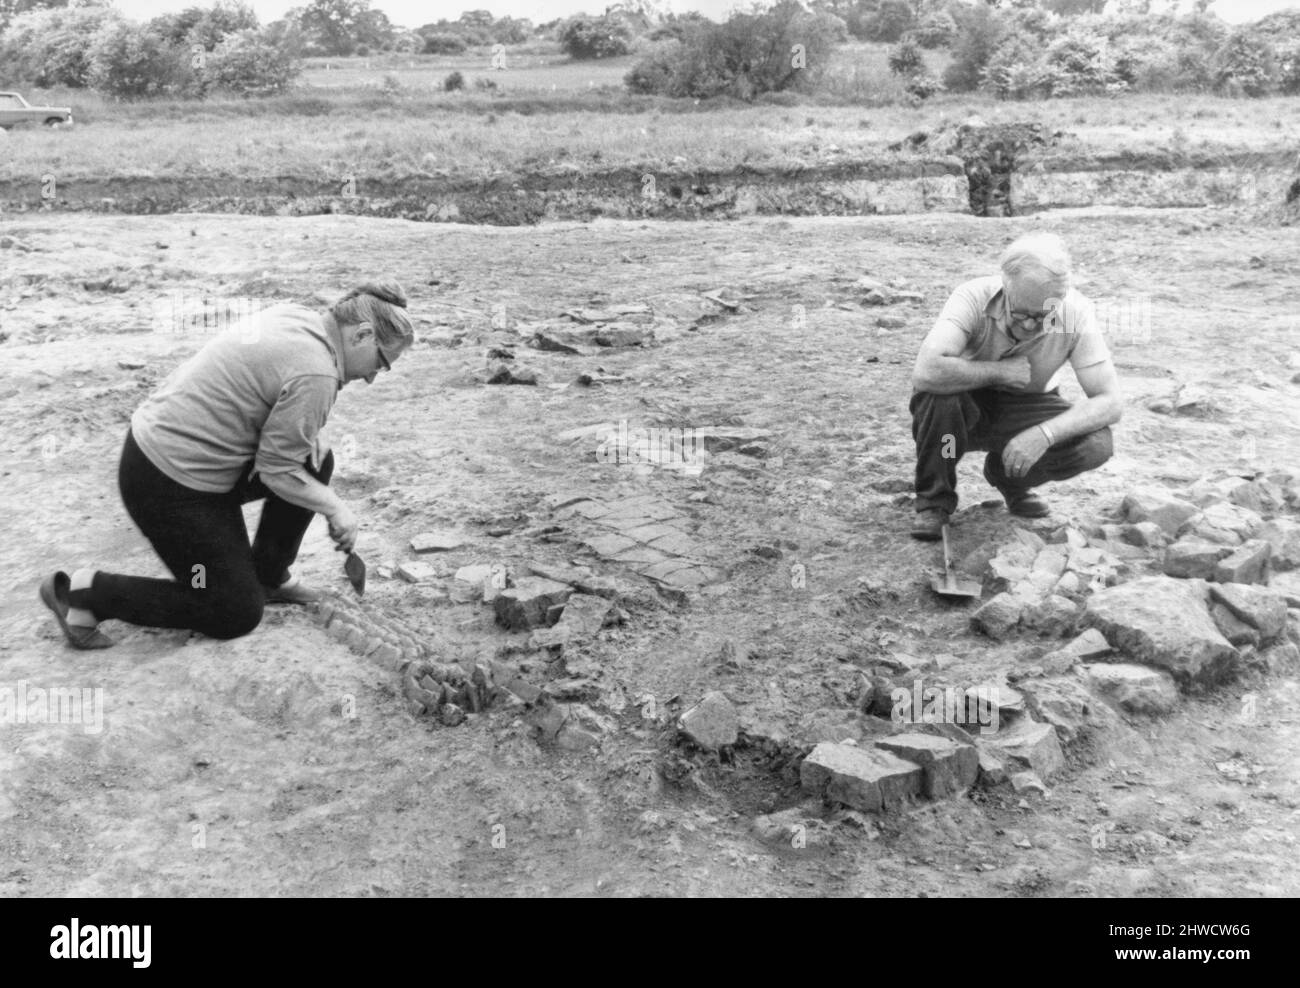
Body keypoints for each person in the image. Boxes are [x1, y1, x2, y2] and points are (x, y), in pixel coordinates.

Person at [39, 281, 415, 648]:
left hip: (169, 455)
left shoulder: (300, 319)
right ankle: (85, 594)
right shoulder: (316, 373)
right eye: (381, 364)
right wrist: (336, 508)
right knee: (231, 609)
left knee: (316, 459)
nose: (370, 377)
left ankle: (269, 575)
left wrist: (309, 431)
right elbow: (275, 470)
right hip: (166, 486)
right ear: (362, 335)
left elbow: (274, 407)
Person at [908, 232, 1121, 541]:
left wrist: (1043, 435)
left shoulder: (1076, 313)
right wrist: (999, 372)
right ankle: (934, 501)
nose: (1031, 325)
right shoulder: (972, 296)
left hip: (1026, 407)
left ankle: (1009, 475)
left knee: (1096, 443)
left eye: (1044, 315)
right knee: (939, 399)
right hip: (957, 422)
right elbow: (926, 372)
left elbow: (1110, 401)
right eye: (1022, 314)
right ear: (1006, 285)